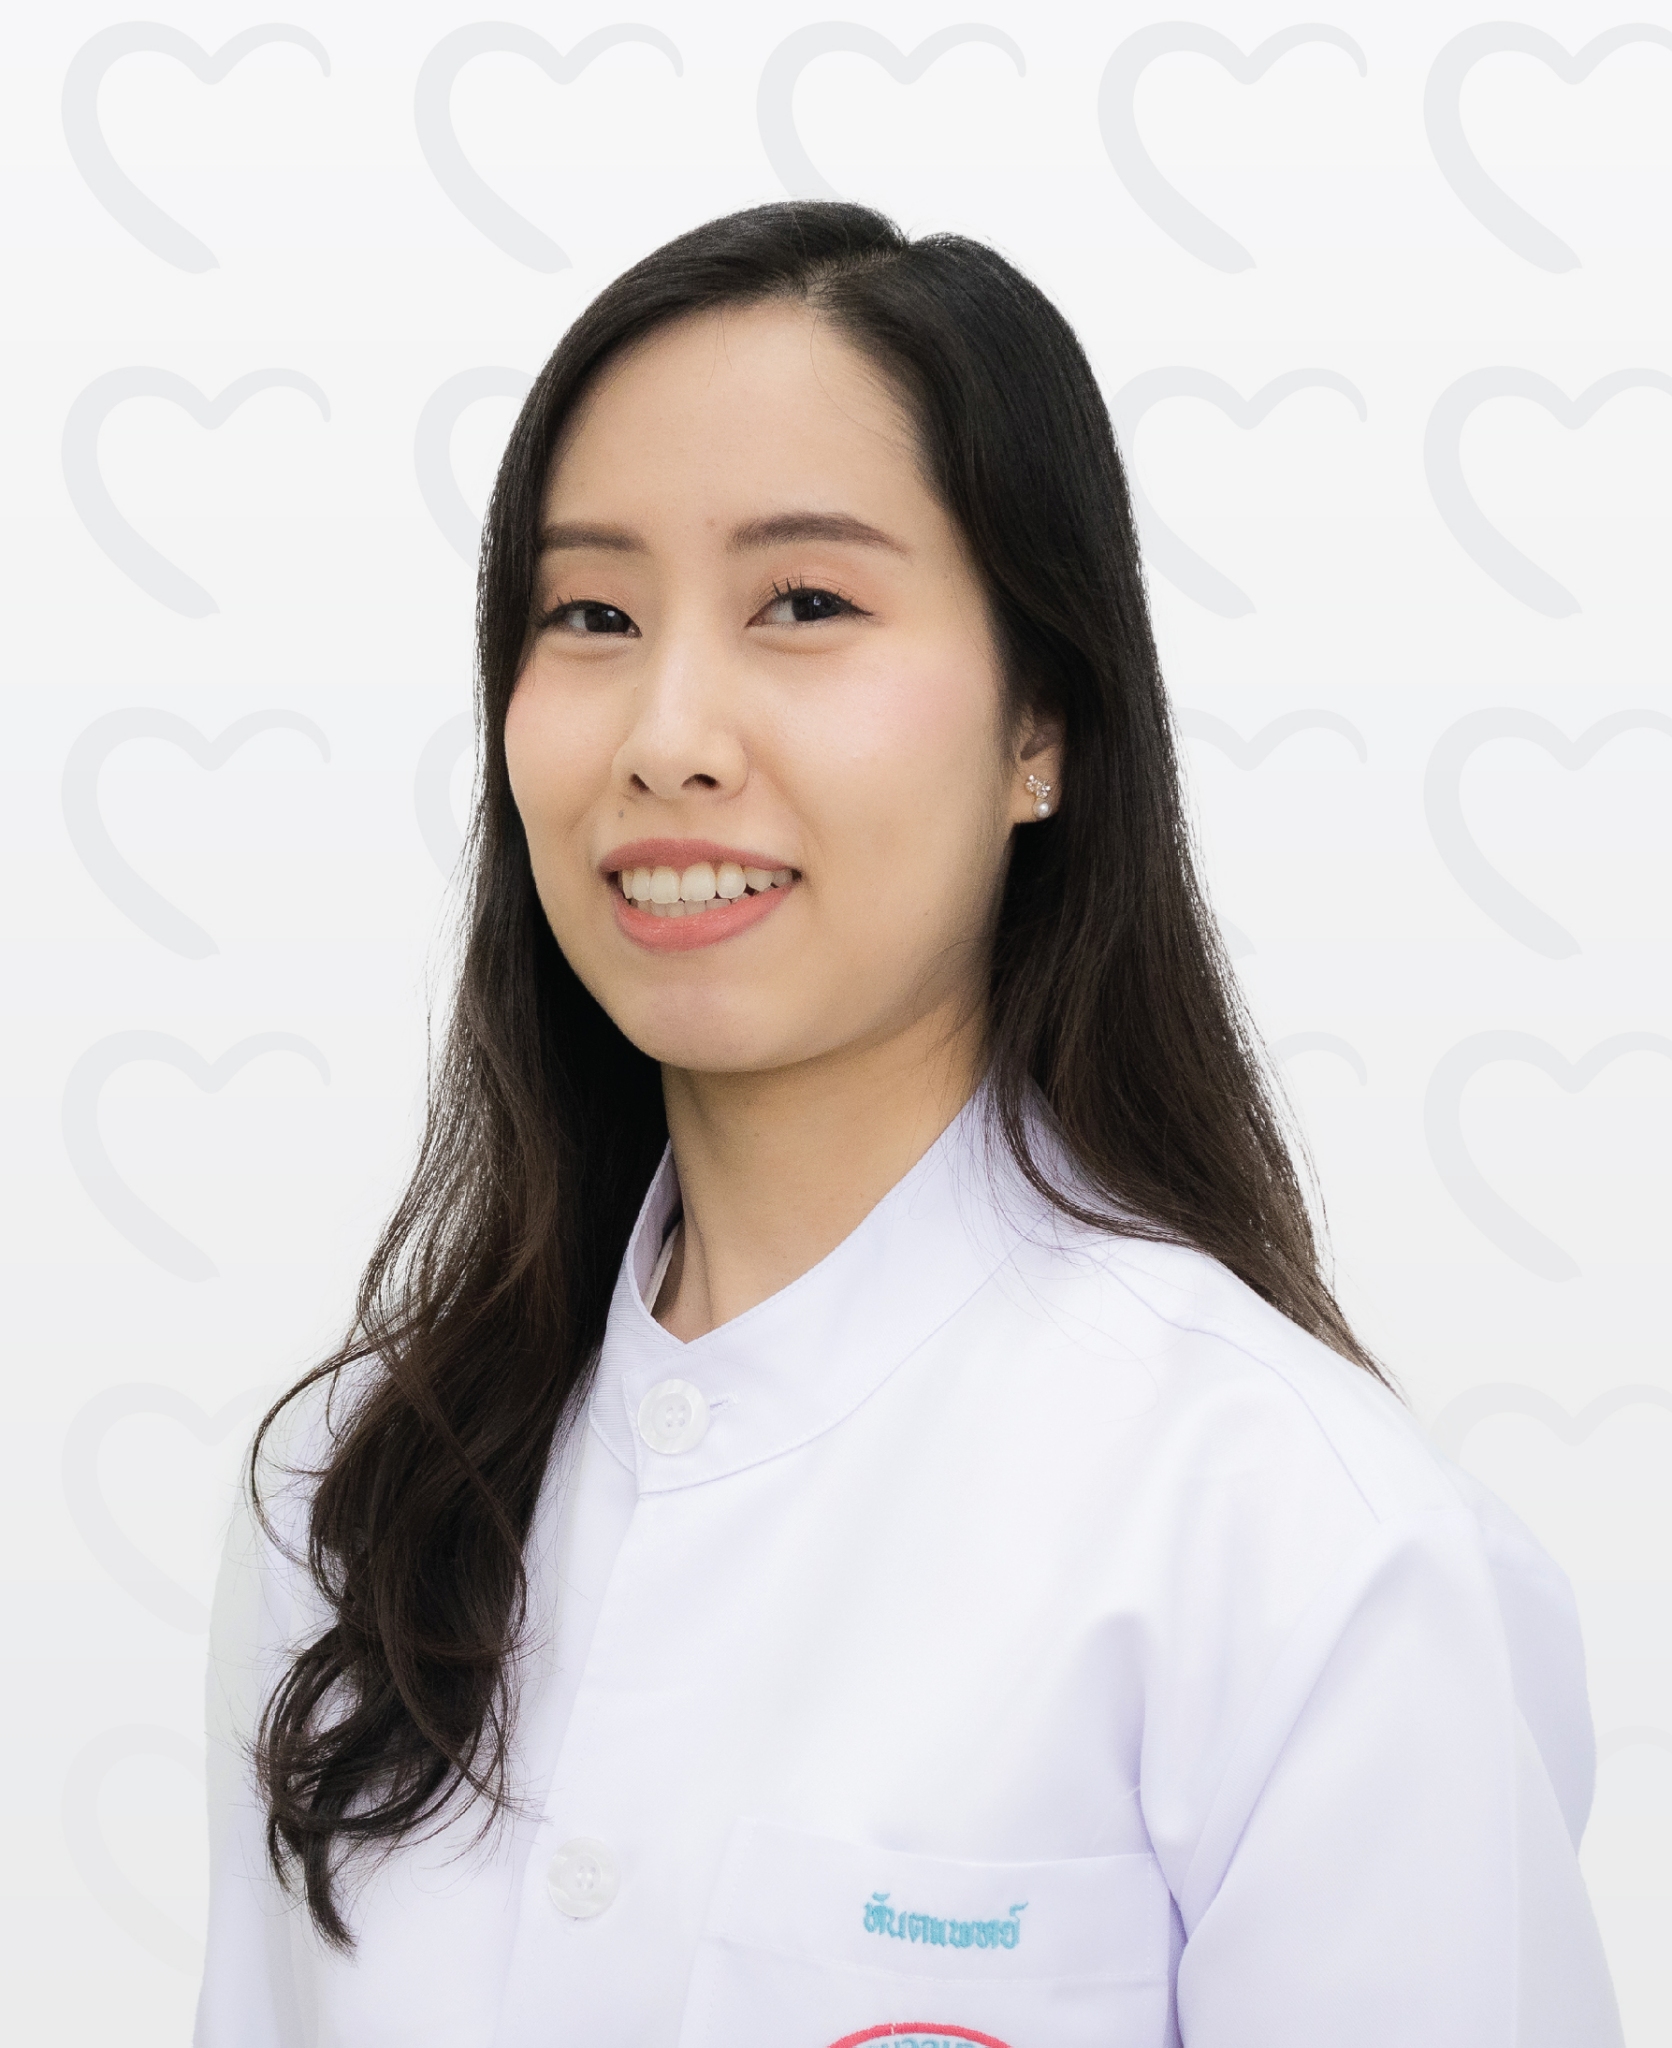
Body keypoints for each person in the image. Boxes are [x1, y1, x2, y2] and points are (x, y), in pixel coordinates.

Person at [193, 202, 1621, 2048]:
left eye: (806, 604)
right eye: (592, 614)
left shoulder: (1301, 1545)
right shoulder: (357, 1497)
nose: (668, 733)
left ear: (1045, 723)